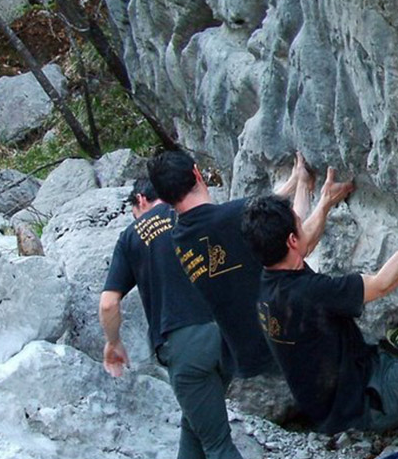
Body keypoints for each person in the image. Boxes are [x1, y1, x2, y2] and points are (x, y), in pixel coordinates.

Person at [99, 179, 280, 459]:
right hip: (227, 336)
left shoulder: (133, 235)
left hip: (185, 345)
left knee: (216, 440)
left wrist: (113, 342)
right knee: (196, 420)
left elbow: (108, 302)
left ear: (139, 200)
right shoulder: (194, 216)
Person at [239, 191, 398, 435]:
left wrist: (324, 200)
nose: (304, 226)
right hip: (370, 404)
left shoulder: (267, 279)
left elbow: (303, 243)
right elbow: (383, 283)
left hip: (332, 410)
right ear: (292, 241)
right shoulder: (310, 293)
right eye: (299, 224)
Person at [147, 150, 348, 380]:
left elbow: (271, 223)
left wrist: (298, 183)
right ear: (197, 173)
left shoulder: (181, 238)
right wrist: (325, 202)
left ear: (163, 199)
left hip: (255, 355)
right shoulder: (230, 218)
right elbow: (298, 241)